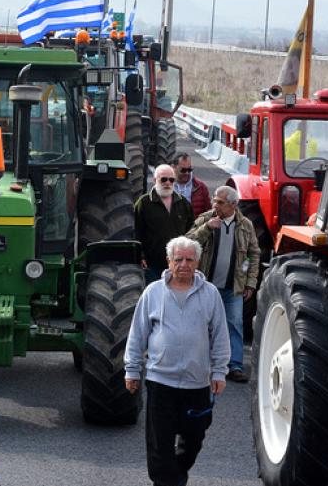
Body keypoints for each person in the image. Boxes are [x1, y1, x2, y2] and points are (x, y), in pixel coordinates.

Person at [124, 236, 228, 486]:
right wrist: (132, 370)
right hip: (161, 382)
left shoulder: (210, 294)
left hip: (196, 384)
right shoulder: (153, 292)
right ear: (169, 261)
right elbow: (138, 333)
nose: (184, 264)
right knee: (160, 444)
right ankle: (166, 481)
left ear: (197, 262)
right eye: (178, 259)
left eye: (189, 259)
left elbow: (220, 335)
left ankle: (176, 475)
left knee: (193, 440)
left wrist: (219, 372)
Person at [187, 186, 262, 383]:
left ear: (233, 205)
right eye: (214, 200)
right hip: (205, 286)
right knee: (201, 324)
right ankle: (200, 363)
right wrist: (206, 229)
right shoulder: (205, 219)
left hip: (233, 288)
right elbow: (187, 243)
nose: (215, 205)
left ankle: (235, 365)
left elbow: (253, 254)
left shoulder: (246, 225)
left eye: (220, 202)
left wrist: (250, 282)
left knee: (235, 324)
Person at [134, 164, 195, 282]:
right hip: (151, 265)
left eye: (171, 180)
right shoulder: (144, 203)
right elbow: (136, 231)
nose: (168, 183)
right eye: (163, 179)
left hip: (178, 264)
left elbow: (191, 232)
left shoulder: (184, 204)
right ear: (155, 180)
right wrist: (140, 256)